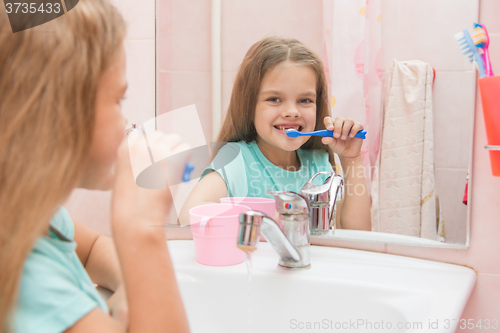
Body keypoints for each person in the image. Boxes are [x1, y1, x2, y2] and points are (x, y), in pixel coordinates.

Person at [0, 1, 190, 332]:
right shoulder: (25, 276)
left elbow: (89, 252)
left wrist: (133, 292)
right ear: (56, 115)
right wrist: (140, 229)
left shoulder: (31, 217)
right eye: (118, 100)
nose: (126, 121)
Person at [180, 37, 371, 230]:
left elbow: (357, 235)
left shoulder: (318, 166)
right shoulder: (236, 161)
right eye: (274, 99)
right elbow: (189, 215)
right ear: (249, 105)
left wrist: (351, 160)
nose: (292, 111)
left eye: (305, 100)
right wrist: (277, 217)